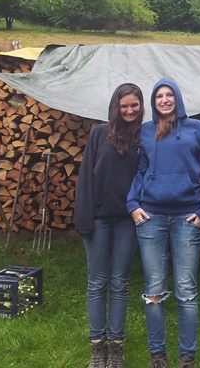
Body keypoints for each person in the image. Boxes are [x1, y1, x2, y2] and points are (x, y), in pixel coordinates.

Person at [127, 79, 200, 368]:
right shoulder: (146, 131)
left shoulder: (197, 128)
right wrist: (132, 204)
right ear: (154, 102)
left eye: (169, 95)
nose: (164, 100)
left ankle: (187, 357)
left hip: (187, 217)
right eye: (159, 96)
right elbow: (141, 171)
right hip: (151, 216)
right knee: (154, 289)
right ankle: (157, 356)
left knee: (186, 290)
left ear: (177, 97)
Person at [75, 83, 144, 368]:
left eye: (134, 105)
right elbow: (85, 178)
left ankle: (115, 347)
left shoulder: (144, 137)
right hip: (99, 218)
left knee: (119, 283)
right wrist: (84, 219)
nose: (129, 110)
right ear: (116, 106)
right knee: (97, 282)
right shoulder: (99, 134)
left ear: (141, 106)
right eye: (124, 105)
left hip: (128, 220)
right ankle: (97, 347)